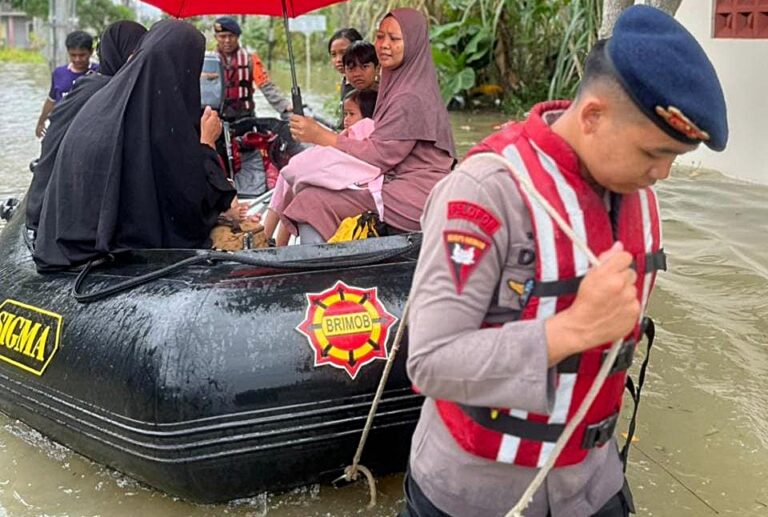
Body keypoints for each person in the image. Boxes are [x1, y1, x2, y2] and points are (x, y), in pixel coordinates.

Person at [403, 6, 728, 517]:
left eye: (674, 158)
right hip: (477, 492)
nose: (662, 173)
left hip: (592, 483)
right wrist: (571, 330)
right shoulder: (486, 191)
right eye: (653, 153)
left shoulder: (636, 192)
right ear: (594, 115)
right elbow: (429, 360)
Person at [33, 20, 236, 272]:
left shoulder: (105, 102)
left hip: (66, 247)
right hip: (105, 256)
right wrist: (207, 143)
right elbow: (188, 207)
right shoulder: (154, 124)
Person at [287, 9, 456, 244]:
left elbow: (380, 155)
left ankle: (319, 266)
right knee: (312, 191)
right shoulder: (404, 83)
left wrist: (321, 136)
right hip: (398, 184)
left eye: (394, 39)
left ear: (414, 44)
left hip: (414, 195)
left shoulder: (409, 96)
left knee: (310, 201)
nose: (384, 45)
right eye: (380, 36)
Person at [26, 20, 147, 238]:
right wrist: (41, 120)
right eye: (132, 54)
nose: (78, 59)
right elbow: (53, 106)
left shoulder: (137, 91)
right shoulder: (93, 87)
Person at [263, 88, 380, 246]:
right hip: (347, 182)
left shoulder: (366, 128)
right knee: (290, 177)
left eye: (351, 114)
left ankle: (273, 239)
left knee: (293, 178)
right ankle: (274, 240)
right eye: (345, 114)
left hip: (359, 187)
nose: (346, 119)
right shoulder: (348, 134)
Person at [213, 16, 291, 121]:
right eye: (222, 37)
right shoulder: (207, 61)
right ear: (216, 37)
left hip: (244, 116)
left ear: (237, 37)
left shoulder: (250, 59)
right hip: (216, 117)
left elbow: (266, 85)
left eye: (231, 36)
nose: (227, 40)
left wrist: (285, 106)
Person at [35, 30, 99, 138]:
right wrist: (41, 122)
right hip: (61, 129)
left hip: (88, 130)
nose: (77, 59)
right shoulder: (59, 73)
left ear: (91, 52)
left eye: (82, 55)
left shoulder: (99, 72)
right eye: (73, 55)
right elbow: (51, 100)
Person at [328, 28, 363, 104]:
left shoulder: (363, 87)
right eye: (333, 54)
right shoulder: (346, 81)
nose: (338, 59)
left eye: (343, 52)